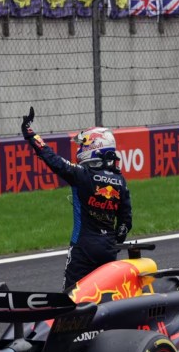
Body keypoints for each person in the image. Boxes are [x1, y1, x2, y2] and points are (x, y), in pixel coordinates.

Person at [20, 107, 132, 292]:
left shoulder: (81, 174)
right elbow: (125, 223)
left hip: (83, 247)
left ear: (94, 147)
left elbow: (51, 158)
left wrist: (30, 134)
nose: (80, 149)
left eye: (84, 144)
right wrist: (114, 241)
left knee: (71, 295)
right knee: (105, 293)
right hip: (108, 248)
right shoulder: (120, 181)